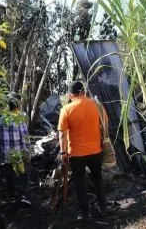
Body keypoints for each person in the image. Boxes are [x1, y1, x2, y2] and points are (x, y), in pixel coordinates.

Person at [58, 81, 108, 222]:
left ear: (70, 95)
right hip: (96, 150)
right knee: (97, 178)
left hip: (76, 154)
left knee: (80, 183)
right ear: (84, 92)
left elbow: (62, 134)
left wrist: (63, 153)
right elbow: (105, 123)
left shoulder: (66, 109)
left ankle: (85, 213)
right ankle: (102, 207)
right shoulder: (97, 105)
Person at [0, 98, 31, 205]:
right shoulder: (19, 120)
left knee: (9, 175)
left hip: (5, 155)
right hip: (18, 155)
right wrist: (27, 153)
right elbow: (25, 138)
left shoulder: (0, 120)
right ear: (17, 108)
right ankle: (23, 195)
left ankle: (11, 196)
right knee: (24, 174)